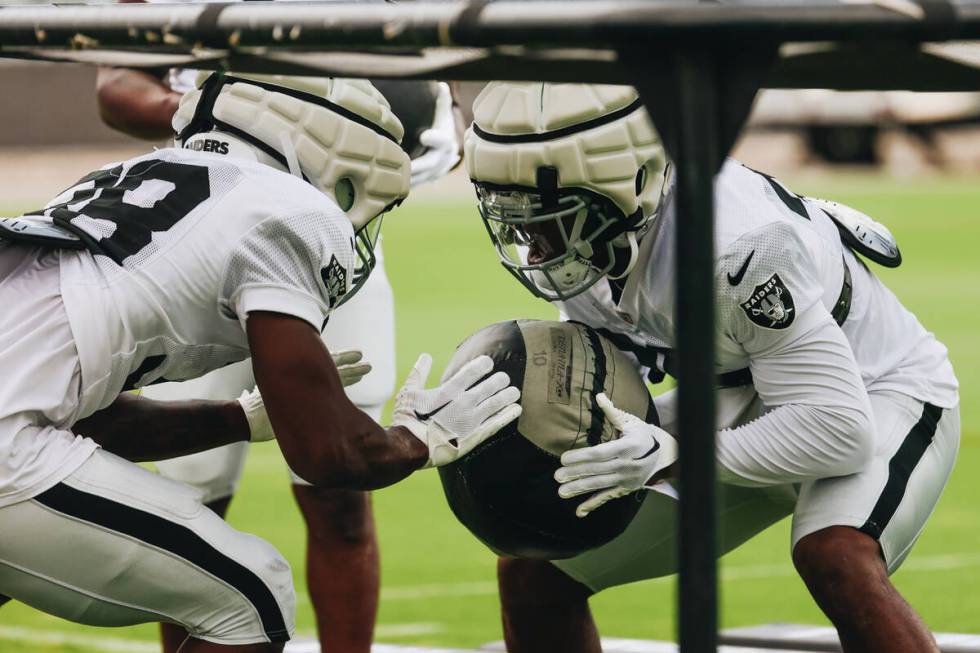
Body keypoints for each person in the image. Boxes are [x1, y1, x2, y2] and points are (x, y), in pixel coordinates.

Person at [0, 72, 519, 653]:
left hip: (18, 419)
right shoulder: (292, 212)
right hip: (8, 451)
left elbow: (93, 420)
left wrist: (239, 421)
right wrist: (419, 439)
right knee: (254, 598)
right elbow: (328, 454)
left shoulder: (125, 177)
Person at [464, 81, 959, 653]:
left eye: (550, 217)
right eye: (518, 217)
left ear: (629, 185)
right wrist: (473, 418)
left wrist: (678, 456)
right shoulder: (608, 231)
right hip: (732, 394)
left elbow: (840, 431)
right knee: (536, 570)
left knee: (837, 556)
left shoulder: (735, 241)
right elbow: (607, 379)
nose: (534, 245)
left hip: (874, 392)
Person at [97, 58, 461, 653]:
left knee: (342, 500)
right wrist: (260, 112)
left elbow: (428, 64)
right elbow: (115, 86)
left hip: (334, 225)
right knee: (190, 504)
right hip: (208, 228)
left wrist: (424, 113)